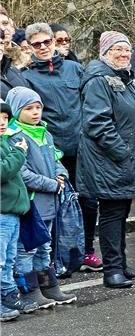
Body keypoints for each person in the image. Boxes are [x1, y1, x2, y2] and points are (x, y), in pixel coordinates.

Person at [75, 33, 135, 288]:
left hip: (122, 158)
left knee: (121, 210)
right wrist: (122, 151)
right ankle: (111, 271)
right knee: (111, 212)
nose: (124, 54)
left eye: (126, 50)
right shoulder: (99, 80)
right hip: (107, 160)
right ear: (105, 52)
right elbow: (98, 123)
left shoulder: (124, 78)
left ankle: (120, 263)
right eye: (117, 50)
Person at [20, 21, 100, 273]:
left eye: (47, 42)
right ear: (31, 48)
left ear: (54, 41)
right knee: (55, 204)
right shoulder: (27, 76)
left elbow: (90, 102)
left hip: (82, 147)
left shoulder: (75, 69)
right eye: (37, 44)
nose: (43, 47)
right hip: (51, 151)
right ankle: (56, 258)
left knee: (87, 201)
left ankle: (86, 251)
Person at [6, 86, 75, 306]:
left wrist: (61, 175)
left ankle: (49, 286)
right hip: (32, 202)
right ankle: (29, 290)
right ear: (17, 111)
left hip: (49, 202)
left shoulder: (45, 133)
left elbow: (56, 161)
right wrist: (52, 184)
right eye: (28, 109)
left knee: (45, 246)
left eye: (38, 107)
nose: (35, 112)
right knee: (28, 248)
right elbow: (23, 173)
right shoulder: (14, 136)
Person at [1, 102, 41, 318]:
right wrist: (18, 153)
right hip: (2, 213)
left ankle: (8, 295)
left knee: (8, 259)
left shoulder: (4, 141)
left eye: (5, 118)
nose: (2, 122)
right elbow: (3, 172)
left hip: (12, 212)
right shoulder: (10, 146)